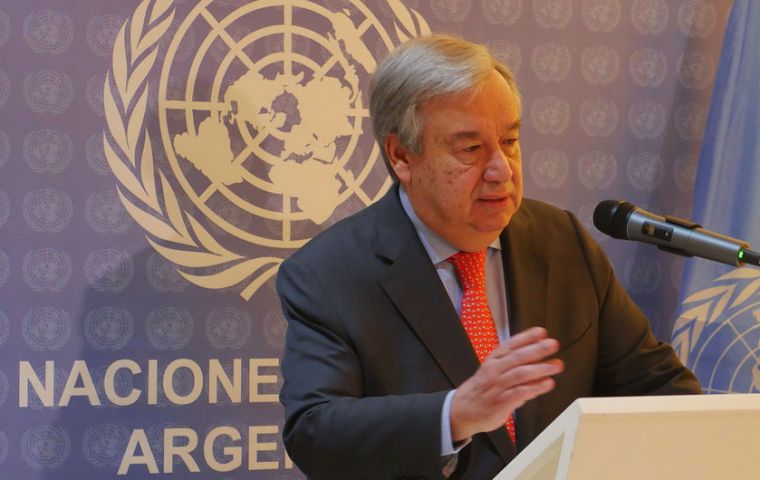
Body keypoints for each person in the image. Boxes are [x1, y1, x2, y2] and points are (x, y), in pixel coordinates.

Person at [276, 34, 701, 480]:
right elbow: (315, 432)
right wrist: (455, 414)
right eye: (471, 149)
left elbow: (660, 390)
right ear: (402, 156)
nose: (502, 170)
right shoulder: (329, 274)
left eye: (511, 140)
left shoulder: (562, 241)